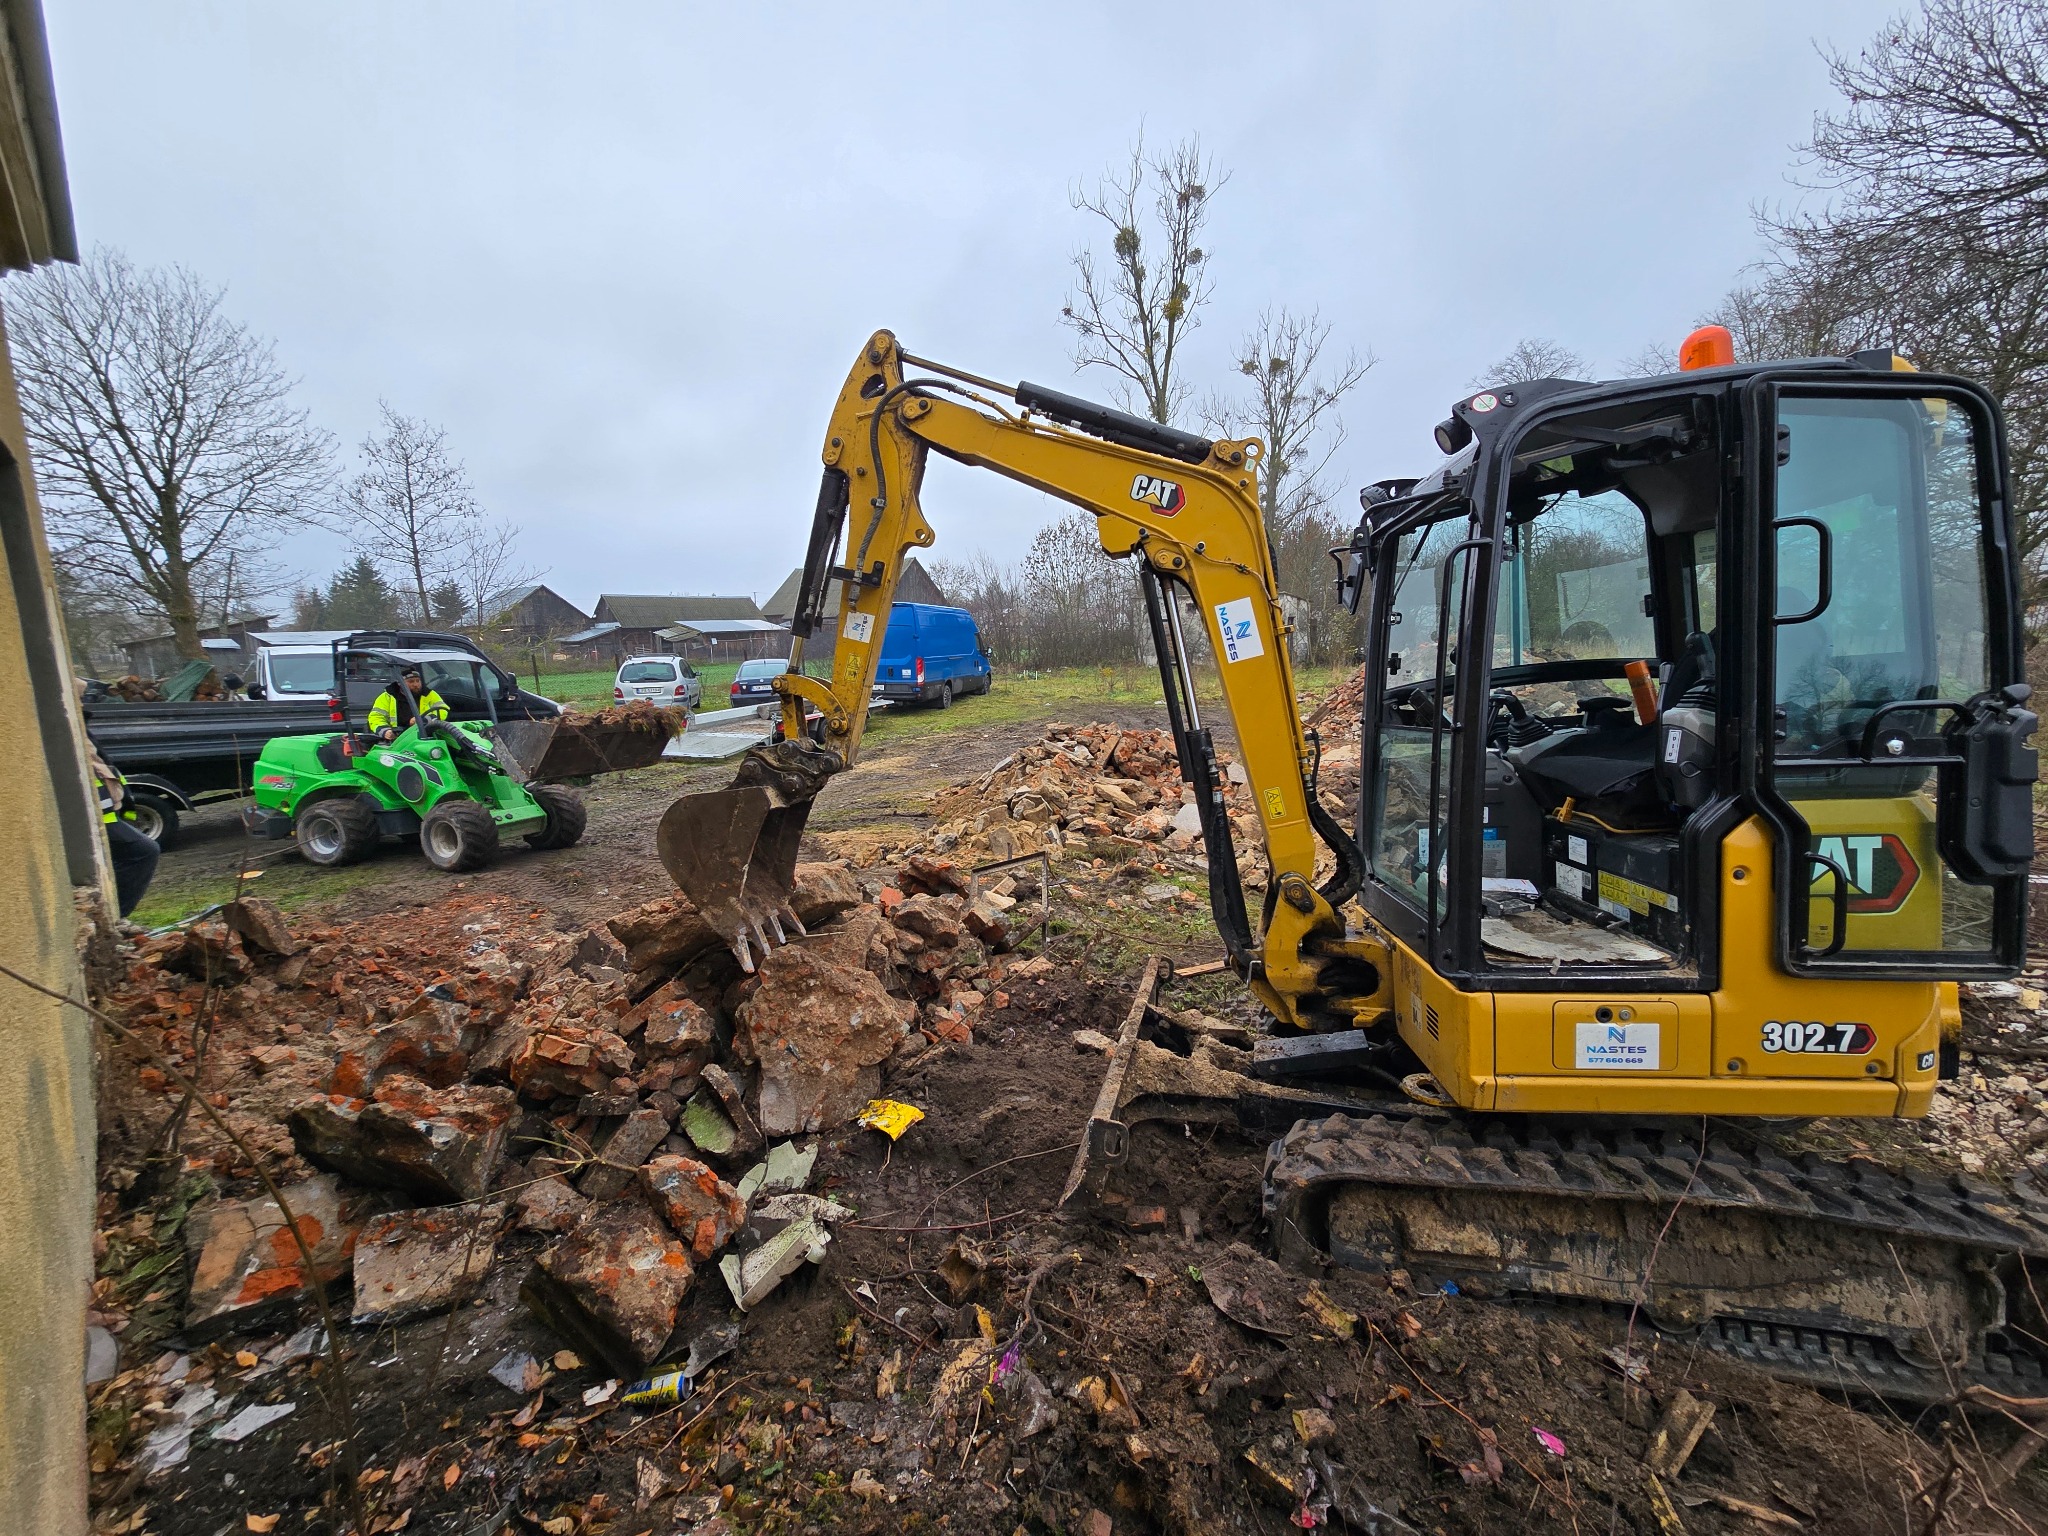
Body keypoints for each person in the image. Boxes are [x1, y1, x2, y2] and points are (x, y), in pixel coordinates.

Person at [88, 742, 158, 918]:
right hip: (96, 821)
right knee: (144, 852)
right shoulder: (73, 730)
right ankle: (113, 917)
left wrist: (124, 802)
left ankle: (112, 917)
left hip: (107, 816)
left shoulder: (83, 730)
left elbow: (106, 767)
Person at [366, 667, 449, 742]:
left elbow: (442, 710)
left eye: (418, 681)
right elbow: (375, 717)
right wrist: (385, 731)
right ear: (400, 683)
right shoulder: (387, 697)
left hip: (426, 735)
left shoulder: (429, 694)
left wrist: (423, 720)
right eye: (411, 681)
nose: (416, 684)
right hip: (398, 739)